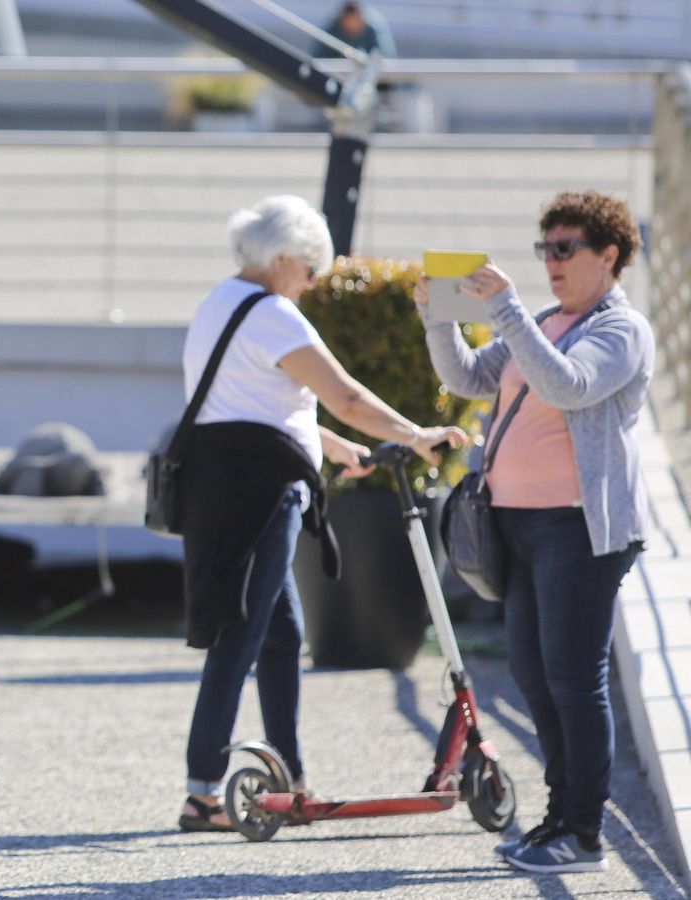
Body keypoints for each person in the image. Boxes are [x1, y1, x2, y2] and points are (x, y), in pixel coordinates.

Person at [175, 195, 465, 832]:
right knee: (242, 635)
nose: (312, 282)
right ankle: (201, 792)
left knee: (280, 635)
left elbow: (247, 400)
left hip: (224, 484)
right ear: (281, 259)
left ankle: (292, 778)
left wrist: (329, 446)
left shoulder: (218, 302)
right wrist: (417, 434)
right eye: (309, 269)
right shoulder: (275, 315)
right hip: (261, 492)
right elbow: (346, 395)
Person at [417, 190, 653, 874]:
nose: (551, 263)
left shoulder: (621, 330)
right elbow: (466, 376)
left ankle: (583, 833)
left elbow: (569, 386)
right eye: (544, 249)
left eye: (565, 249)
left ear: (609, 257)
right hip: (516, 523)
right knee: (533, 674)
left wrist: (509, 311)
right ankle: (559, 815)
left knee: (576, 680)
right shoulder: (543, 318)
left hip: (579, 527)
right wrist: (439, 320)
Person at [312, 1, 397, 59]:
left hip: (371, 77)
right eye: (347, 22)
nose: (351, 25)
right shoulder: (332, 28)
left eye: (354, 22)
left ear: (360, 18)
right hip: (338, 76)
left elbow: (386, 56)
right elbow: (318, 56)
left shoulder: (374, 27)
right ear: (342, 19)